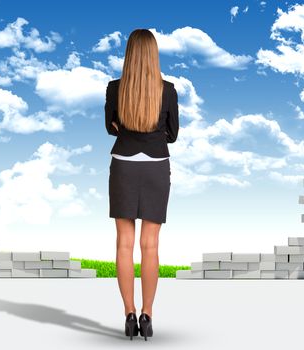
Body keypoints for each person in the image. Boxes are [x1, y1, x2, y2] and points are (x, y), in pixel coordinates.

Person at [104, 28, 179, 341]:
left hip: (123, 165)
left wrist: (127, 126)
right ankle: (148, 314)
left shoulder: (114, 88)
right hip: (156, 167)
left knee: (124, 242)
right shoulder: (168, 90)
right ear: (154, 55)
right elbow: (172, 134)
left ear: (128, 55)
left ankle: (129, 314)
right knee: (150, 245)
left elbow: (110, 128)